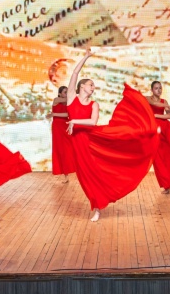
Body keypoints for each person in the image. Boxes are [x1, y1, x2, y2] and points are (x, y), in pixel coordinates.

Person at [66, 49, 159, 222]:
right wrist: (86, 57)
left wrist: (74, 121)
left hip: (90, 141)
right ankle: (97, 204)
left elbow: (92, 122)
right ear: (82, 86)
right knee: (85, 177)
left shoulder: (94, 104)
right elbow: (75, 73)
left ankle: (97, 208)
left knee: (95, 174)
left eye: (93, 86)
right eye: (90, 85)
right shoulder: (71, 97)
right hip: (77, 144)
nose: (93, 87)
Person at [48, 86, 75, 183]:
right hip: (57, 127)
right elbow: (69, 100)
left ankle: (77, 168)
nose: (67, 94)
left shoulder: (68, 103)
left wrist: (54, 114)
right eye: (65, 92)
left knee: (70, 147)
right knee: (60, 149)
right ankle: (66, 176)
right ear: (59, 94)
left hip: (66, 125)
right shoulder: (56, 100)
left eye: (67, 92)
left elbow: (68, 115)